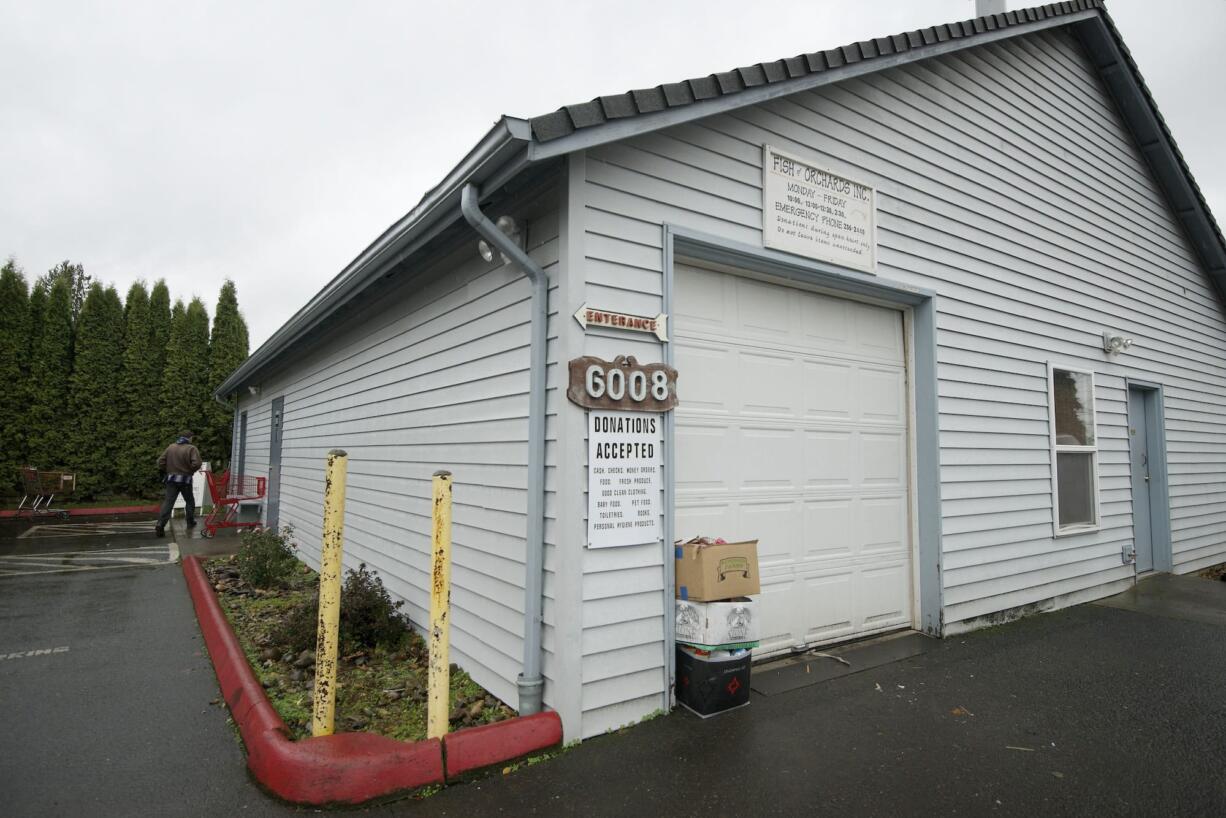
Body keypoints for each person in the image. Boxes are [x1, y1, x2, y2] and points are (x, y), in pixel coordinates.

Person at [156, 430, 203, 536]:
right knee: (190, 501)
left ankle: (160, 524)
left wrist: (168, 470)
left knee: (168, 502)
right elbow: (197, 463)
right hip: (185, 480)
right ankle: (190, 522)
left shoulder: (171, 447)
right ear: (190, 438)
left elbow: (160, 462)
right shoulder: (191, 448)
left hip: (171, 479)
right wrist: (190, 470)